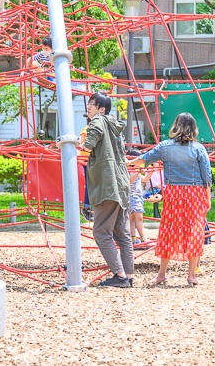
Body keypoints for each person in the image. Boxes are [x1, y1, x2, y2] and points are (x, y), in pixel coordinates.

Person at [135, 113, 213, 287]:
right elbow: (206, 175)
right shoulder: (198, 148)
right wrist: (208, 198)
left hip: (174, 194)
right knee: (195, 231)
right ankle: (191, 275)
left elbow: (144, 159)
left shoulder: (165, 146)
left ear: (175, 126)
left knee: (169, 231)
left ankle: (162, 273)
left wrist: (125, 163)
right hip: (195, 194)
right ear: (193, 128)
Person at [79, 91, 134, 288]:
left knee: (101, 232)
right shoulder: (115, 127)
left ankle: (119, 275)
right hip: (121, 182)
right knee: (122, 233)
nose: (89, 106)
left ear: (101, 109)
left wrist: (71, 144)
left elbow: (87, 145)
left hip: (107, 184)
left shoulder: (98, 122)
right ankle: (128, 274)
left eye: (92, 103)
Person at [129, 169, 148, 245]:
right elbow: (129, 181)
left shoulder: (136, 171)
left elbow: (144, 179)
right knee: (138, 217)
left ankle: (133, 238)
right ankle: (142, 238)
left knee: (133, 218)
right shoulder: (128, 171)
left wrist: (151, 172)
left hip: (138, 196)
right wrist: (137, 172)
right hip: (132, 195)